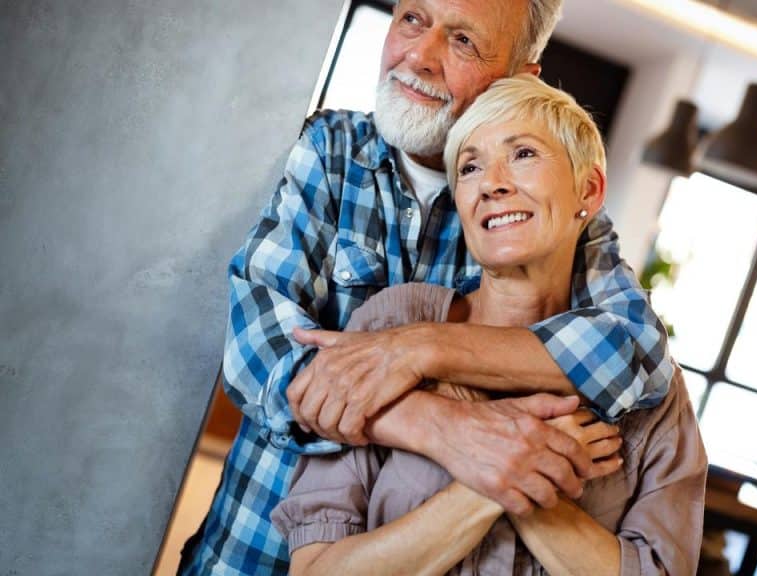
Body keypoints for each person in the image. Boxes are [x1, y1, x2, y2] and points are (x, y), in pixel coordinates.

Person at [181, 0, 675, 572]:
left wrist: (415, 350)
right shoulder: (330, 150)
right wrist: (446, 428)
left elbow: (635, 352)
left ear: (518, 77)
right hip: (245, 555)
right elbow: (259, 354)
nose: (420, 56)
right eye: (413, 18)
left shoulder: (549, 209)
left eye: (463, 41)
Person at [272, 74, 708, 576]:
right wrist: (494, 473)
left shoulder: (651, 392)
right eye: (470, 166)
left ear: (588, 189)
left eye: (522, 154)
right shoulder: (391, 324)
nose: (492, 182)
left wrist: (522, 476)